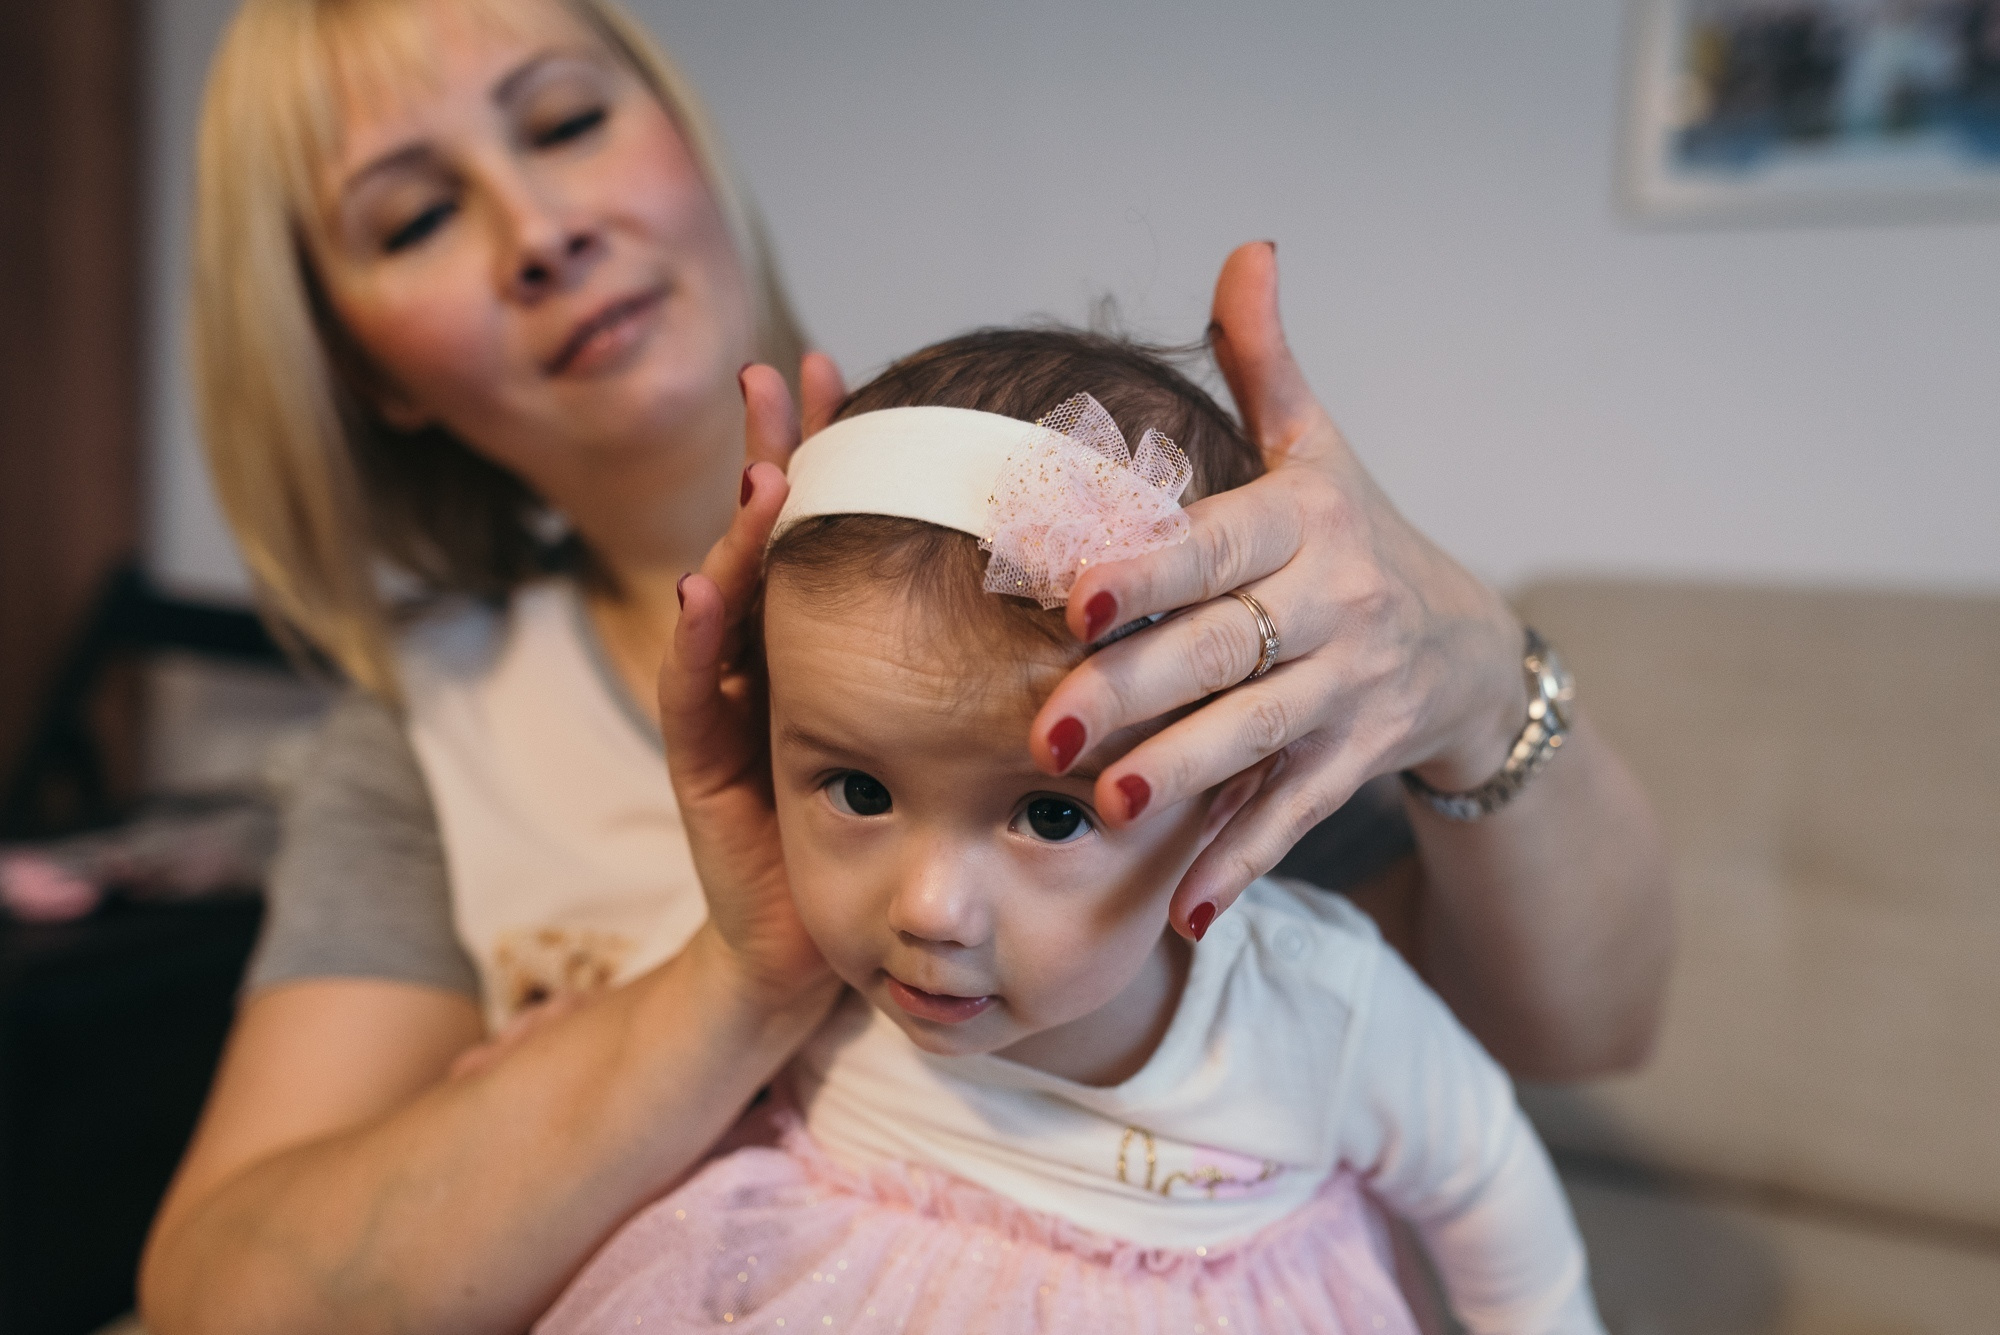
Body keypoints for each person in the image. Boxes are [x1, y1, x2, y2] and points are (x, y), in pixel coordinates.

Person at [138, 0, 1670, 1330]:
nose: (540, 232)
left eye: (566, 120)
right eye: (411, 217)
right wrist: (744, 976)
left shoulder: (1091, 547)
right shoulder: (430, 723)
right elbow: (221, 1298)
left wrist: (1472, 672)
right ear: (356, 365)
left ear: (686, 140)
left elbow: (1571, 1034)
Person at [537, 328, 1606, 1335]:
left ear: (1232, 786)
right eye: (858, 792)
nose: (927, 909)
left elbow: (1479, 1178)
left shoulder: (1316, 1011)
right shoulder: (795, 982)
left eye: (1051, 814)